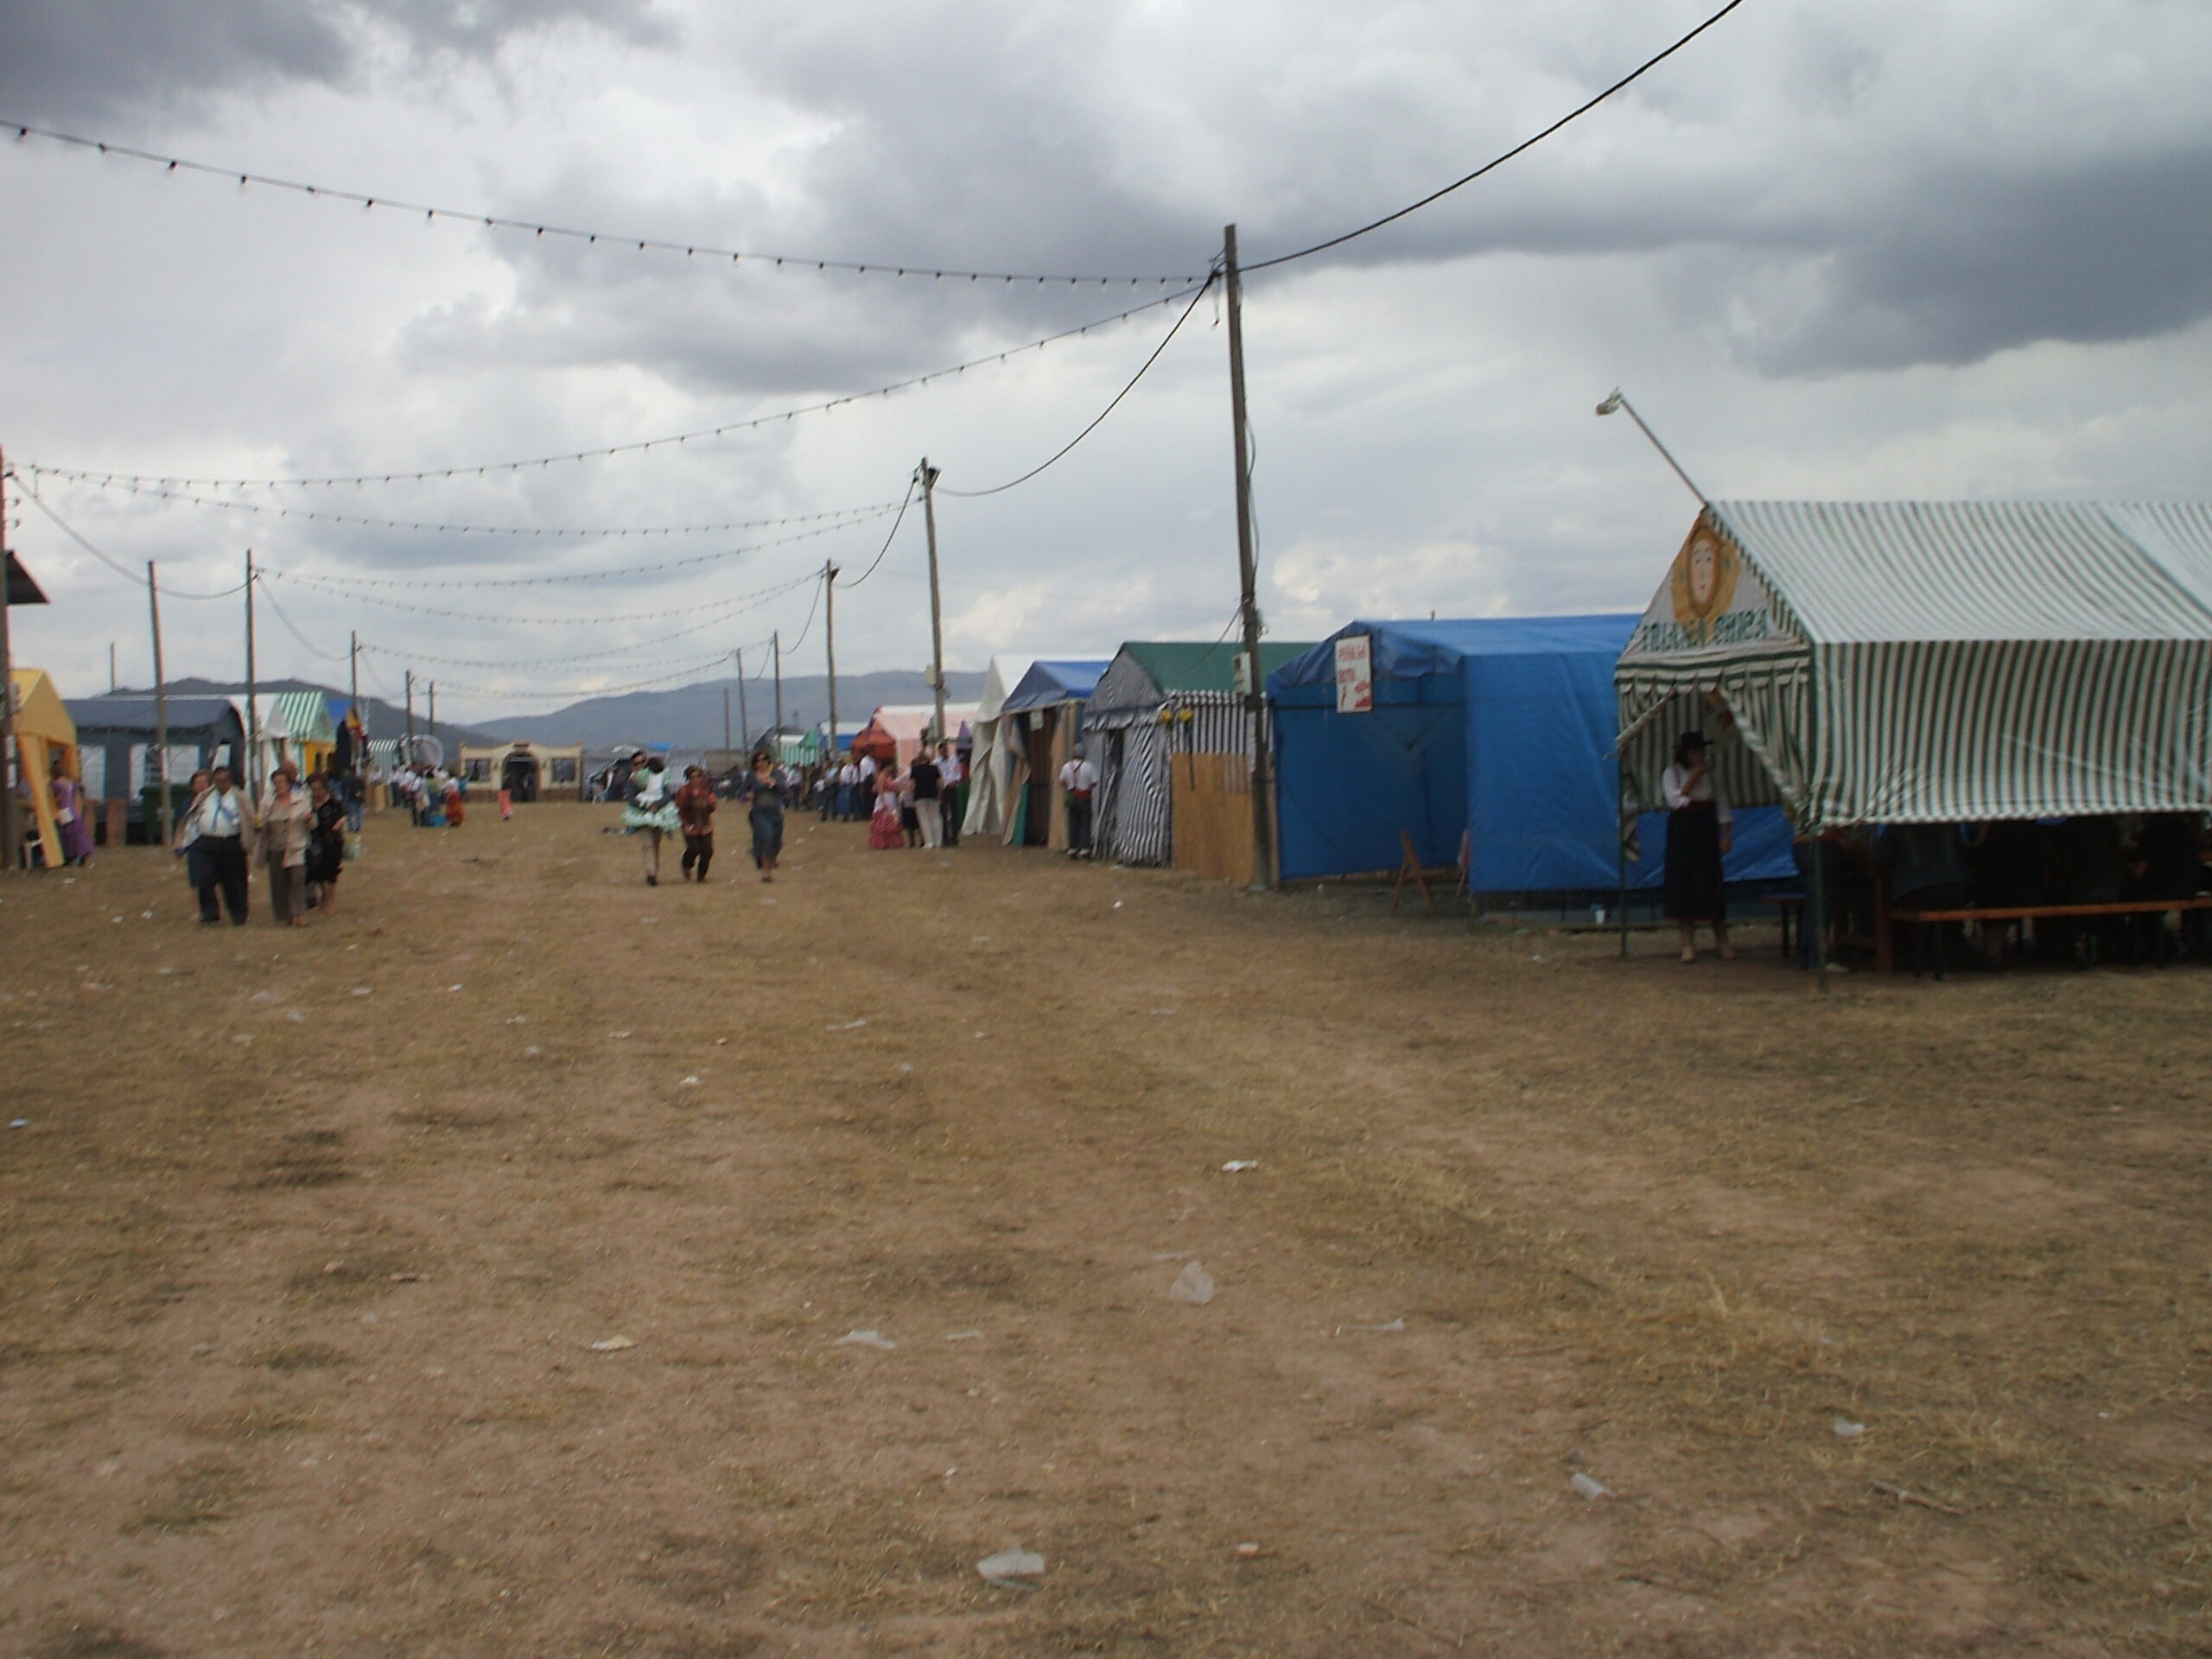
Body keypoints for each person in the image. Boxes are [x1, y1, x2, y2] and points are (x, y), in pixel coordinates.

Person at [1661, 729, 1733, 962]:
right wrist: (1694, 775)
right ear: (1685, 754)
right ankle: (1687, 944)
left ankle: (1722, 941)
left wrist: (1726, 835)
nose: (1699, 756)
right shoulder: (1671, 773)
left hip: (1705, 826)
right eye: (1694, 752)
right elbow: (1675, 800)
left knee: (1711, 879)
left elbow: (1722, 803)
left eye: (1701, 751)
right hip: (1683, 828)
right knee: (1683, 882)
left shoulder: (1713, 774)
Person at [185, 765, 255, 924]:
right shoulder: (206, 796)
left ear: (230, 781)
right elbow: (194, 814)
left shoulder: (239, 797)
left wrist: (249, 840)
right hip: (207, 841)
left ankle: (238, 914)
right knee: (204, 878)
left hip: (230, 843)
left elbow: (250, 818)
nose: (220, 785)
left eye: (223, 781)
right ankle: (209, 912)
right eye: (217, 781)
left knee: (233, 882)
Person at [256, 768, 312, 926]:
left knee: (297, 880)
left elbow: (313, 824)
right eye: (275, 782)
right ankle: (282, 916)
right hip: (275, 848)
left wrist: (309, 820)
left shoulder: (301, 800)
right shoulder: (268, 803)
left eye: (281, 782)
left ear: (289, 783)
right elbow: (261, 823)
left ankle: (299, 914)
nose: (278, 785)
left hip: (295, 847)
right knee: (278, 884)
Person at [623, 753, 678, 884]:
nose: (641, 765)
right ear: (633, 766)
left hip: (659, 814)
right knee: (647, 844)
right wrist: (645, 807)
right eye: (637, 763)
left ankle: (653, 872)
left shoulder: (661, 776)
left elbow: (667, 794)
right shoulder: (633, 779)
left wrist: (657, 805)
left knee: (655, 844)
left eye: (643, 761)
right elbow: (631, 798)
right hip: (640, 816)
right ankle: (651, 873)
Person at [737, 751, 786, 881]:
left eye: (764, 759)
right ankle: (766, 872)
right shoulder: (751, 776)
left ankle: (765, 859)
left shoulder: (777, 774)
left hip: (775, 811)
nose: (761, 763)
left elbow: (785, 790)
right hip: (759, 812)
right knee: (767, 837)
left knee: (776, 842)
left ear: (768, 761)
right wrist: (748, 796)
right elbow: (742, 794)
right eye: (758, 760)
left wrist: (774, 784)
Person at [305, 772, 348, 916]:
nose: (316, 793)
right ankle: (323, 898)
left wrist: (339, 824)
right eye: (313, 790)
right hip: (314, 842)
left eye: (319, 789)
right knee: (318, 873)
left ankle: (330, 903)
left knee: (331, 872)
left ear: (325, 788)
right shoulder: (307, 804)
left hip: (332, 841)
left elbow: (343, 815)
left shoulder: (334, 802)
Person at [48, 755, 97, 867]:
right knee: (77, 834)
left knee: (67, 836)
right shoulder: (70, 782)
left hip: (64, 810)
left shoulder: (56, 784)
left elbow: (56, 797)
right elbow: (77, 791)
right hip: (73, 810)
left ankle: (70, 856)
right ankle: (81, 853)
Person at [675, 763, 719, 882]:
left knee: (707, 850)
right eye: (692, 777)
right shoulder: (683, 791)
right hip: (690, 824)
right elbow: (680, 810)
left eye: (698, 776)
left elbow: (711, 808)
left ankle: (701, 876)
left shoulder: (706, 790)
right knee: (694, 849)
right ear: (688, 778)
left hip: (705, 825)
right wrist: (685, 825)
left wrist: (711, 804)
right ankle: (686, 865)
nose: (696, 780)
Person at [1059, 747, 1099, 859]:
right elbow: (1094, 782)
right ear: (1084, 755)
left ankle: (1072, 849)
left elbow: (1062, 782)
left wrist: (1071, 785)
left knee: (1073, 823)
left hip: (1071, 797)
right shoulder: (1089, 766)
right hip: (1085, 797)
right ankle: (1085, 849)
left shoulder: (1066, 766)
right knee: (1085, 823)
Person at [910, 747, 943, 849]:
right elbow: (940, 783)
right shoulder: (934, 768)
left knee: (924, 820)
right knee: (936, 818)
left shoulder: (915, 769)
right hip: (933, 795)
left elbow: (911, 784)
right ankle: (938, 841)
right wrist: (940, 794)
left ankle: (929, 842)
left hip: (920, 796)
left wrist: (912, 792)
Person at [869, 760, 905, 850]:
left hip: (892, 798)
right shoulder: (881, 776)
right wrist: (884, 802)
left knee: (892, 819)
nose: (891, 768)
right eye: (890, 766)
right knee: (884, 819)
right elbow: (880, 790)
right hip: (885, 798)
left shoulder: (889, 776)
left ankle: (892, 841)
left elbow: (895, 787)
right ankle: (882, 841)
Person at [938, 741, 963, 847]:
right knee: (943, 814)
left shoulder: (954, 760)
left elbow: (958, 773)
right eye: (943, 750)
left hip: (953, 788)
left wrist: (956, 781)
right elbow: (938, 777)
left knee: (954, 813)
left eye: (946, 750)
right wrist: (943, 785)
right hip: (943, 789)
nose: (945, 752)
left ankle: (954, 836)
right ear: (939, 751)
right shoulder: (936, 763)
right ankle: (945, 837)